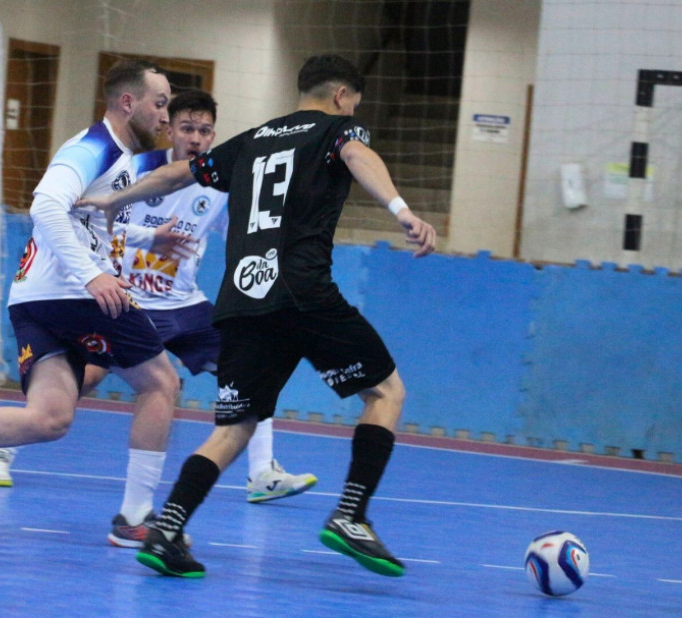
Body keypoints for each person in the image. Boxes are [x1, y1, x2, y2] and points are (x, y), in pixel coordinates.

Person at [79, 54, 437, 578]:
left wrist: (117, 198)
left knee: (234, 427)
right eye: (352, 104)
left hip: (242, 302)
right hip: (303, 291)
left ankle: (168, 529)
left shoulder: (254, 138)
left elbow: (179, 173)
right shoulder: (340, 128)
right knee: (387, 393)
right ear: (341, 96)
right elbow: (358, 154)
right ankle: (352, 515)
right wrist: (401, 210)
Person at [0, 59, 191, 549]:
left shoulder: (117, 158)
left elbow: (85, 219)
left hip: (34, 298)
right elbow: (46, 206)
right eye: (160, 104)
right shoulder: (91, 146)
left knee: (50, 418)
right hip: (72, 294)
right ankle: (136, 519)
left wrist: (146, 237)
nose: (165, 116)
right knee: (161, 382)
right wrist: (94, 275)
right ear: (127, 102)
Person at [0, 90, 318, 505]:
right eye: (187, 128)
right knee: (84, 378)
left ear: (213, 137)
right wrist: (143, 243)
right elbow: (92, 222)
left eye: (205, 131)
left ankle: (262, 472)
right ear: (169, 129)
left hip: (184, 305)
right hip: (126, 298)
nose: (195, 138)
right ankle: (0, 450)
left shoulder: (220, 185)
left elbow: (240, 237)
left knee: (249, 366)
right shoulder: (133, 170)